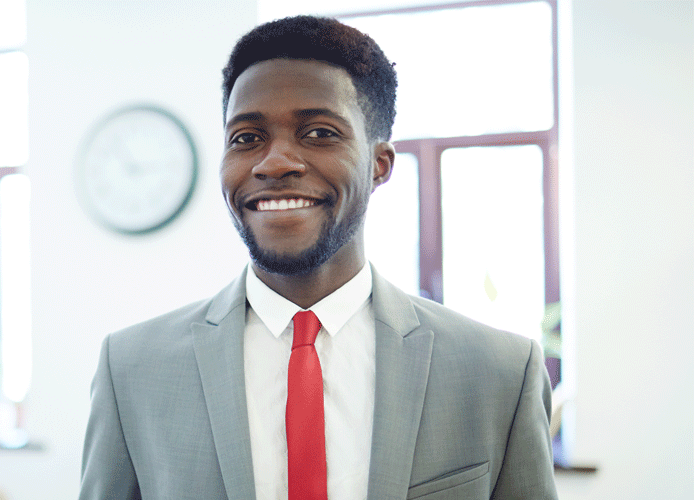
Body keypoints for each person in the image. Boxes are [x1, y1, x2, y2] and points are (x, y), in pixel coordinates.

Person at [79, 15, 557, 500]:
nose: (275, 162)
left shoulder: (498, 372)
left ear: (379, 164)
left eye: (319, 133)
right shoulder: (132, 369)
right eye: (246, 138)